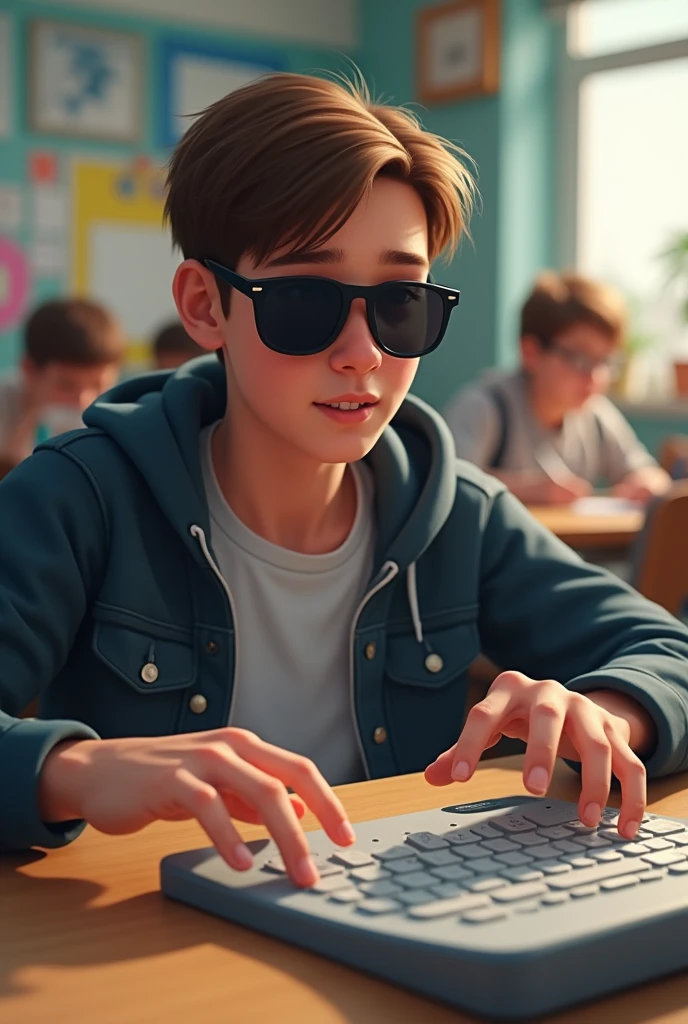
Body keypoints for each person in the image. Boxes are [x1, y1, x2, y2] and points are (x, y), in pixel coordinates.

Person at [1, 73, 687, 892]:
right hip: (142, 945)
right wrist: (71, 769)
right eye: (303, 300)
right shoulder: (78, 498)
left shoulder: (456, 513)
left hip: (390, 930)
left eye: (401, 304)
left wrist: (610, 712)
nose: (363, 352)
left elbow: (667, 651)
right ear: (205, 305)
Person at [444, 272, 671, 505]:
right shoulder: (485, 407)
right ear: (531, 352)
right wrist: (529, 490)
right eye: (579, 358)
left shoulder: (595, 413)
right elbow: (449, 483)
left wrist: (645, 483)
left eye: (604, 361)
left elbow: (649, 474)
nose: (593, 376)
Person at [0, 298, 125, 470]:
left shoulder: (120, 414)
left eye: (98, 384)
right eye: (66, 385)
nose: (84, 400)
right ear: (29, 370)